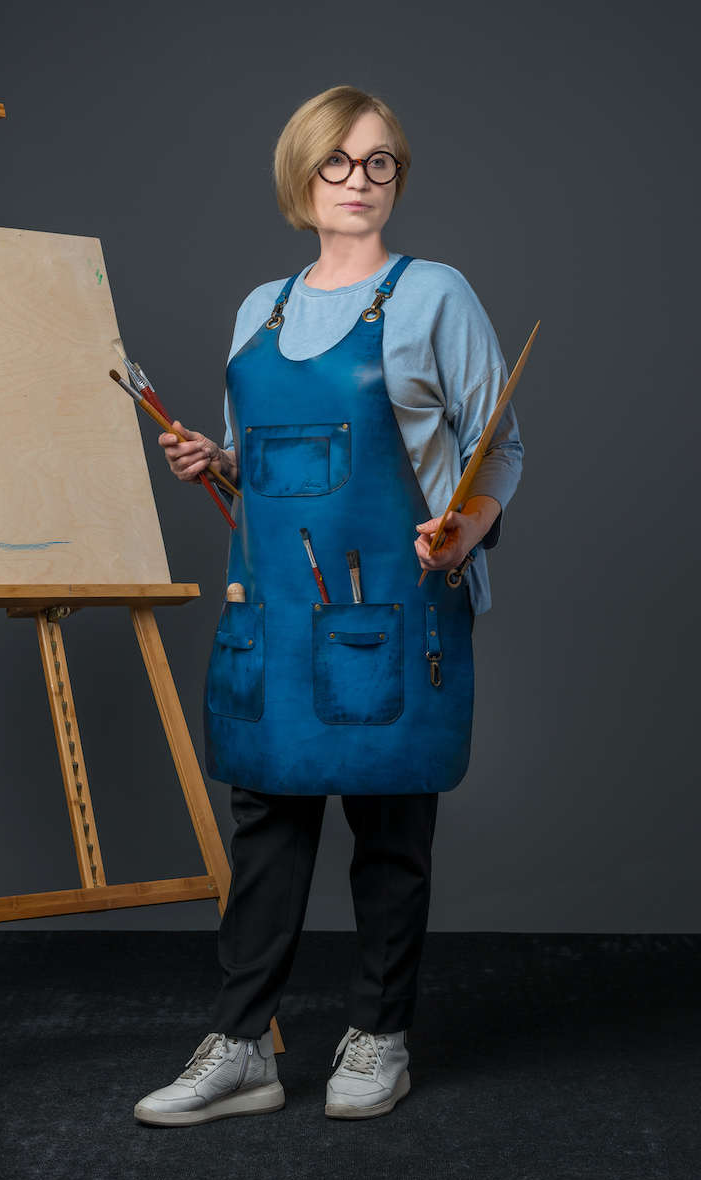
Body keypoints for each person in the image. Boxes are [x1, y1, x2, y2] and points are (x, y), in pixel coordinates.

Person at [134, 86, 523, 1126]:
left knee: (389, 825)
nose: (359, 183)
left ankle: (378, 1033)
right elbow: (268, 480)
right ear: (299, 179)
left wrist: (463, 529)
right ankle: (240, 1046)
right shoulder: (257, 309)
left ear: (398, 173)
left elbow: (502, 452)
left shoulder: (433, 293)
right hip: (277, 617)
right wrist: (210, 460)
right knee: (266, 823)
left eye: (379, 162)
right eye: (337, 164)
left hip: (396, 611)